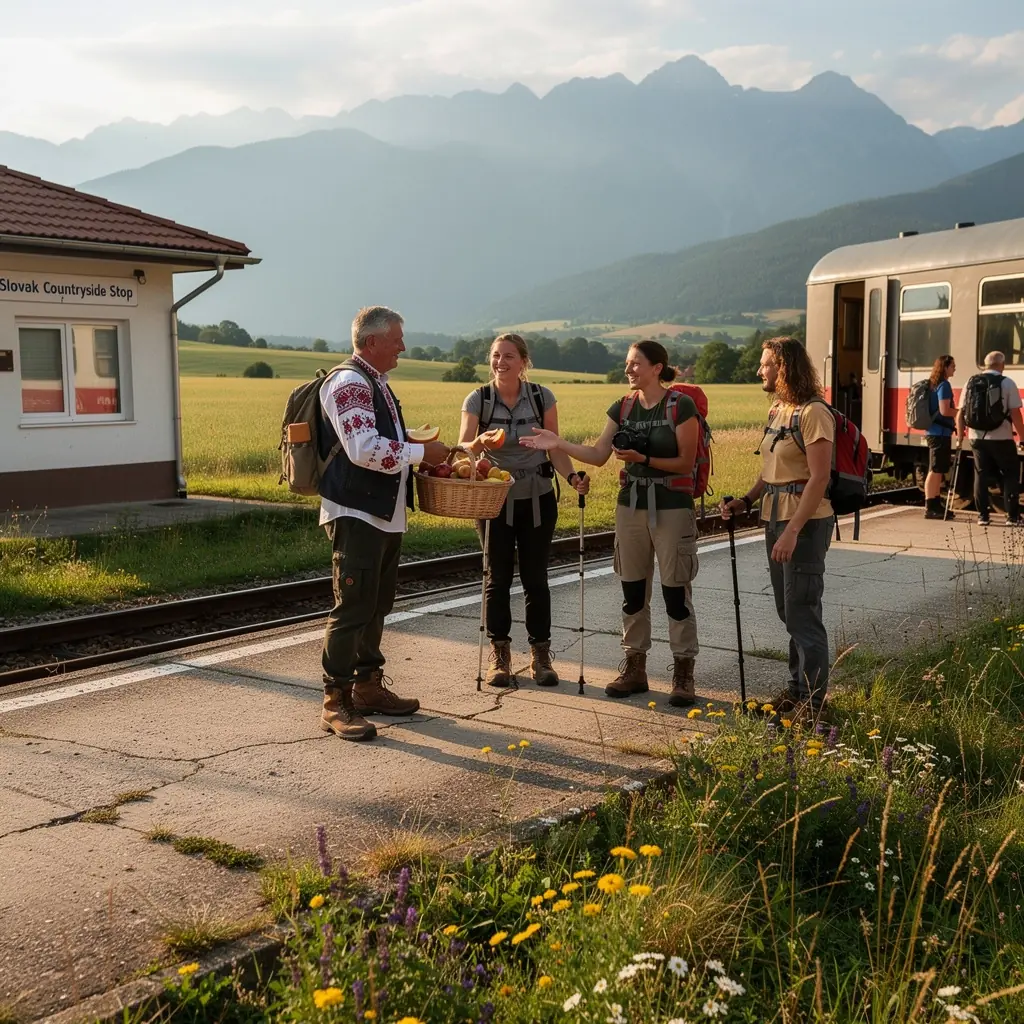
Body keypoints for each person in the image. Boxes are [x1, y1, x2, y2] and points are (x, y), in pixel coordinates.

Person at [521, 340, 701, 706]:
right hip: (630, 506)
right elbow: (599, 455)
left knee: (675, 593)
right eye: (627, 363)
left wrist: (642, 456)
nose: (629, 368)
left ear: (657, 367)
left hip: (672, 506)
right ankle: (635, 667)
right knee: (633, 592)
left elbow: (686, 463)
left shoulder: (680, 406)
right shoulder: (623, 406)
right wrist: (558, 443)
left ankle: (683, 673)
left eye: (636, 363)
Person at [318, 306, 450, 741]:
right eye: (396, 339)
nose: (403, 347)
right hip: (356, 513)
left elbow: (386, 441)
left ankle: (368, 686)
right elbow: (362, 448)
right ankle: (335, 701)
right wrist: (419, 455)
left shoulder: (375, 383)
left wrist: (425, 447)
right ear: (371, 342)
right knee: (353, 606)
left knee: (377, 603)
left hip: (381, 511)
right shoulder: (350, 383)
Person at [459, 334, 589, 687]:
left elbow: (554, 447)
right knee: (496, 578)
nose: (501, 362)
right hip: (493, 499)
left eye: (509, 356)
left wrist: (573, 476)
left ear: (523, 362)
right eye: (496, 356)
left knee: (536, 578)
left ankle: (540, 655)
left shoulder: (541, 397)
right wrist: (479, 444)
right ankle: (499, 655)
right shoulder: (478, 399)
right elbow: (463, 449)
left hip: (538, 495)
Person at [721, 337, 835, 716]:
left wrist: (792, 530)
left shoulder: (814, 413)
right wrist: (746, 501)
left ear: (783, 367)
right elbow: (771, 470)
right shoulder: (778, 410)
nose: (759, 370)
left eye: (766, 364)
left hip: (803, 523)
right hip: (774, 517)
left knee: (802, 611)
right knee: (789, 611)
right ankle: (795, 692)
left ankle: (814, 706)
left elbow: (818, 479)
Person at [956, 350, 1023, 527]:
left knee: (980, 475)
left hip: (976, 438)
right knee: (1009, 475)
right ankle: (1012, 517)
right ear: (1001, 365)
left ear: (985, 364)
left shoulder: (970, 382)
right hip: (1001, 437)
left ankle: (983, 516)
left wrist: (960, 435)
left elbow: (960, 413)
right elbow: (1016, 414)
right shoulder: (1007, 383)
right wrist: (1022, 438)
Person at [923, 355, 957, 520]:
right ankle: (930, 506)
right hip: (939, 433)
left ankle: (935, 503)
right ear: (945, 368)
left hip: (937, 432)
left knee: (937, 469)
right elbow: (944, 410)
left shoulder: (934, 384)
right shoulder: (944, 385)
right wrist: (960, 413)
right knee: (935, 470)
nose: (954, 369)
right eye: (952, 366)